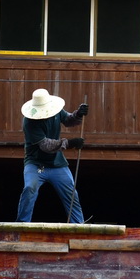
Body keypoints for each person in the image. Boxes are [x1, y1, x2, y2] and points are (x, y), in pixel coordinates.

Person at [19, 88, 88, 224]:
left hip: (56, 163)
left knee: (71, 193)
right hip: (35, 162)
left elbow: (68, 120)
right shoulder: (29, 122)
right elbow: (45, 145)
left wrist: (78, 114)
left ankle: (79, 225)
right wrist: (69, 143)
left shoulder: (55, 110)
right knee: (29, 188)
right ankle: (22, 223)